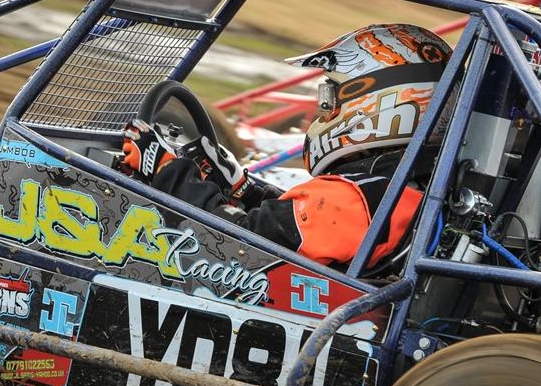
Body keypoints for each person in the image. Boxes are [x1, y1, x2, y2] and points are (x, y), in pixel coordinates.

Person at [122, 24, 454, 271]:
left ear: (379, 104)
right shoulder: (397, 187)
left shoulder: (353, 199)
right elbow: (290, 229)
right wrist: (243, 187)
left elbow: (235, 246)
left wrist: (168, 171)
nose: (324, 110)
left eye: (330, 98)